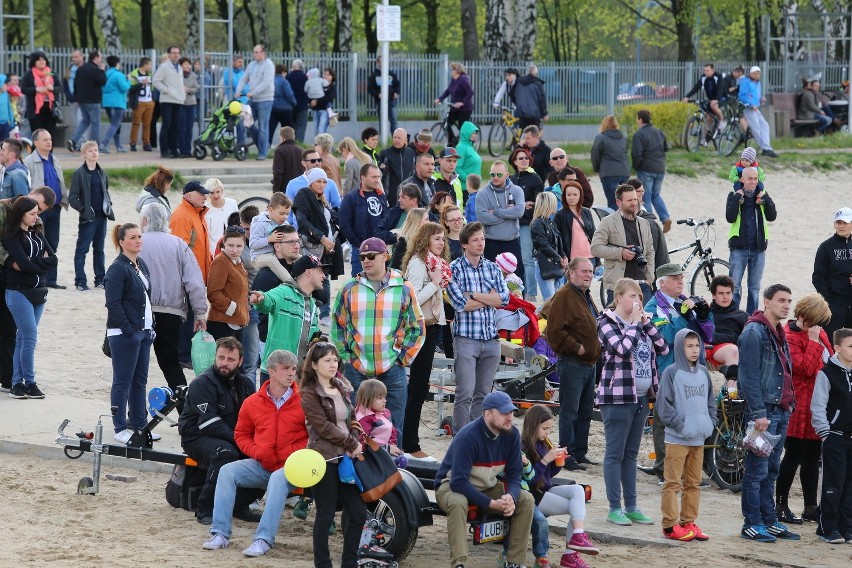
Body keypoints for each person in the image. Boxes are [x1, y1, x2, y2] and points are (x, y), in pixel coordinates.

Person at [202, 349, 307, 557]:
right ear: (272, 371)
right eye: (285, 368)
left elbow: (311, 438)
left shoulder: (304, 401)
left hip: (293, 467)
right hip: (262, 464)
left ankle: (263, 540)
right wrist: (258, 452)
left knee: (278, 478)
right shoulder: (252, 402)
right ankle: (220, 533)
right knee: (227, 471)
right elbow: (241, 435)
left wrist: (292, 455)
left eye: (294, 369)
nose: (291, 373)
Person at [331, 237, 424, 441]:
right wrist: (346, 357)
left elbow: (417, 327)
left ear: (385, 256)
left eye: (371, 256)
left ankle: (393, 469)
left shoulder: (404, 288)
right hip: (357, 369)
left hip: (392, 368)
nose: (366, 260)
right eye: (362, 257)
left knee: (394, 428)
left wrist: (402, 359)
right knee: (354, 426)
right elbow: (337, 325)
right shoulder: (349, 289)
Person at [434, 390, 535, 568]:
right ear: (487, 414)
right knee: (458, 503)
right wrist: (490, 503)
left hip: (487, 485)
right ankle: (459, 563)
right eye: (504, 413)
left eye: (511, 412)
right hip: (451, 486)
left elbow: (514, 474)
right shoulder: (468, 436)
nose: (510, 417)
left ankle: (515, 562)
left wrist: (510, 496)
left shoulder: (512, 435)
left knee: (526, 499)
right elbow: (458, 482)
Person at [597, 277, 668, 527]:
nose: (637, 301)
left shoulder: (641, 323)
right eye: (632, 297)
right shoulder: (606, 322)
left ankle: (632, 505)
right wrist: (636, 325)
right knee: (615, 453)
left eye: (639, 297)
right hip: (616, 397)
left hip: (641, 397)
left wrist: (646, 324)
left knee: (631, 454)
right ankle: (614, 507)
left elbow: (663, 347)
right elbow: (622, 349)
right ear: (618, 298)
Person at [738, 283, 800, 542]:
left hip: (780, 409)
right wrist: (759, 412)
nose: (787, 305)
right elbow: (748, 376)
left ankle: (769, 519)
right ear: (767, 301)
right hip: (764, 412)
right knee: (756, 471)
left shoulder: (777, 331)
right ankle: (752, 523)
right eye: (781, 300)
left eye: (789, 301)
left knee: (771, 469)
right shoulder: (754, 331)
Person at [299, 341, 369, 568]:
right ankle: (323, 564)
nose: (333, 363)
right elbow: (323, 427)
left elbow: (352, 418)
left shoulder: (341, 385)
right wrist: (351, 443)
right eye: (327, 360)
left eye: (335, 359)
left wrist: (357, 436)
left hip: (346, 459)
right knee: (325, 514)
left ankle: (349, 563)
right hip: (324, 458)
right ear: (315, 364)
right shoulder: (309, 393)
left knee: (358, 513)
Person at [643, 263, 714, 482]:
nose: (680, 282)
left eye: (681, 278)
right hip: (669, 369)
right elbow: (664, 337)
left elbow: (709, 336)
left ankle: (690, 470)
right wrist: (682, 317)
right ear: (661, 283)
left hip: (694, 369)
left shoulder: (685, 301)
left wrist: (704, 316)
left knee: (694, 414)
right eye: (675, 279)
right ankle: (664, 469)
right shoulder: (653, 306)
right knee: (666, 418)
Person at [179, 337, 258, 525]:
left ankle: (240, 505)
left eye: (230, 360)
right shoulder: (202, 383)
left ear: (240, 361)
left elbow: (256, 416)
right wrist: (241, 442)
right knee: (226, 453)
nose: (224, 363)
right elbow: (209, 423)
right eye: (221, 357)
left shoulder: (246, 384)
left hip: (230, 437)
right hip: (196, 436)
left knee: (263, 453)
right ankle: (205, 509)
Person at [138, 203, 207, 399]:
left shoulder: (137, 242)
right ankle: (185, 410)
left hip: (141, 312)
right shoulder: (178, 244)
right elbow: (194, 282)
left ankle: (134, 414)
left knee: (136, 364)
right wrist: (200, 312)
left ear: (144, 220)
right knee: (170, 363)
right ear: (166, 221)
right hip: (171, 311)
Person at [775, 293, 832, 525]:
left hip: (817, 406)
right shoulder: (789, 336)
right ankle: (780, 504)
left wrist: (817, 339)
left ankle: (811, 507)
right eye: (814, 322)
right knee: (793, 456)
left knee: (812, 457)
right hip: (797, 407)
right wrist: (813, 342)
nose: (817, 327)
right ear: (803, 316)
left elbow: (831, 360)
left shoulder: (818, 332)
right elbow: (804, 369)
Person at [520, 405, 601, 568]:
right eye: (545, 428)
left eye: (550, 428)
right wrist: (546, 460)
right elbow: (530, 480)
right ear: (533, 425)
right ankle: (570, 556)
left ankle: (577, 537)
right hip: (533, 494)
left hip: (545, 489)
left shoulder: (543, 443)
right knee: (576, 508)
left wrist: (558, 462)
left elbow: (548, 476)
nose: (548, 433)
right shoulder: (524, 447)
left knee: (578, 491)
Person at [446, 222, 509, 431]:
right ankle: (461, 437)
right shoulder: (454, 269)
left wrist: (474, 295)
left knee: (483, 393)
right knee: (464, 392)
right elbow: (460, 304)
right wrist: (490, 298)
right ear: (464, 244)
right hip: (466, 337)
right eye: (475, 240)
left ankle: (477, 435)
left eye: (482, 238)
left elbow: (505, 299)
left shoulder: (492, 267)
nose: (481, 243)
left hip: (491, 337)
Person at [657, 329, 717, 542]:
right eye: (688, 346)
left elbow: (711, 401)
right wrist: (680, 425)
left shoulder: (703, 372)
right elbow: (664, 406)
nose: (694, 350)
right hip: (677, 439)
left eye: (697, 346)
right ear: (680, 347)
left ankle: (688, 522)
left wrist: (710, 422)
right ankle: (670, 526)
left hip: (699, 438)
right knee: (672, 483)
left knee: (693, 483)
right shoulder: (671, 373)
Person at [401, 222, 450, 460]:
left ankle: (408, 441)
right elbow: (413, 299)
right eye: (437, 238)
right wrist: (435, 283)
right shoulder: (419, 264)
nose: (442, 242)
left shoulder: (434, 263)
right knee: (417, 387)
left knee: (420, 386)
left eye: (443, 238)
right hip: (421, 328)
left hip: (433, 327)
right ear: (425, 240)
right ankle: (410, 443)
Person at [546, 257, 601, 472]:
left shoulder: (584, 295)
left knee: (585, 410)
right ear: (571, 272)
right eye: (584, 271)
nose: (588, 275)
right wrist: (577, 347)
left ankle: (579, 452)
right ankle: (566, 455)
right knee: (570, 411)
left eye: (591, 271)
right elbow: (554, 331)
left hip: (589, 363)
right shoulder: (564, 296)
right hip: (573, 362)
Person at [0, 187, 54, 393]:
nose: (36, 213)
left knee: (15, 330)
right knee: (11, 329)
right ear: (30, 194)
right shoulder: (4, 209)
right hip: (8, 274)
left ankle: (12, 378)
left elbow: (48, 254)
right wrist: (12, 261)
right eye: (34, 206)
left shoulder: (36, 221)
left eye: (40, 210)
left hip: (29, 283)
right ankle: (14, 379)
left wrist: (34, 264)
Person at [103, 222, 154, 439]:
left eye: (139, 236)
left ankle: (139, 424)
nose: (138, 240)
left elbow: (146, 298)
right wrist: (129, 329)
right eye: (132, 238)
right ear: (122, 242)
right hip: (124, 334)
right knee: (122, 380)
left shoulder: (140, 264)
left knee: (139, 380)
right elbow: (113, 303)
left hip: (143, 331)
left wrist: (150, 326)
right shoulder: (117, 268)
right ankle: (120, 428)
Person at [811, 327, 852, 544]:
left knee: (849, 485)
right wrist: (825, 432)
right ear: (837, 348)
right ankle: (828, 527)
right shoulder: (827, 373)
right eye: (850, 346)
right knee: (833, 483)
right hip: (835, 436)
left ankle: (847, 527)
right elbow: (818, 406)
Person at [251, 254, 324, 371]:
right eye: (320, 271)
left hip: (300, 373)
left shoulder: (313, 304)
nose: (324, 276)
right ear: (308, 272)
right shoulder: (284, 292)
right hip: (276, 372)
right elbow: (269, 300)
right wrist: (261, 299)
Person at [590, 183, 655, 303]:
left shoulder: (644, 223)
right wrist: (620, 253)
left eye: (635, 199)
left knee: (645, 321)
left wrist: (650, 278)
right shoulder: (607, 222)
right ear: (619, 202)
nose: (634, 203)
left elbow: (650, 252)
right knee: (617, 321)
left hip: (642, 285)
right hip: (618, 285)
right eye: (630, 200)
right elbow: (595, 248)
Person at [725, 166, 777, 314]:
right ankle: (733, 316)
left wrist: (765, 199)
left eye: (755, 179)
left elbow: (772, 216)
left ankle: (751, 317)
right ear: (742, 179)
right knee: (734, 287)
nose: (753, 182)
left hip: (758, 249)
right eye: (749, 179)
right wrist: (736, 197)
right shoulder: (734, 195)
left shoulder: (762, 196)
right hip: (738, 249)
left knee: (754, 288)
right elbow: (730, 217)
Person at [24, 129, 67, 289]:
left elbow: (60, 181)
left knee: (53, 242)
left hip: (55, 207)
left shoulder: (54, 159)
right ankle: (39, 276)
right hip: (38, 209)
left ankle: (51, 280)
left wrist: (63, 199)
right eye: (44, 140)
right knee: (38, 241)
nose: (49, 142)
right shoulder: (29, 161)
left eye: (50, 139)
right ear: (35, 142)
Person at [69, 142, 114, 291]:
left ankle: (100, 279)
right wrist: (85, 210)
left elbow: (105, 193)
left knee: (99, 249)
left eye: (96, 150)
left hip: (102, 218)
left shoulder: (102, 173)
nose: (94, 153)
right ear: (84, 154)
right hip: (88, 219)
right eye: (90, 151)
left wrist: (108, 206)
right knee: (82, 250)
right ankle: (80, 282)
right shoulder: (79, 174)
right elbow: (73, 198)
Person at [476, 160, 526, 283]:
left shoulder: (517, 190)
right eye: (492, 174)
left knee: (517, 278)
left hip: (512, 241)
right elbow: (482, 217)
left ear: (507, 175)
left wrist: (496, 211)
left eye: (499, 174)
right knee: (491, 279)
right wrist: (508, 214)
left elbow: (519, 212)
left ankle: (518, 301)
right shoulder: (482, 193)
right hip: (491, 242)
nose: (495, 178)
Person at [339, 164, 389, 276]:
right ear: (363, 177)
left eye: (378, 177)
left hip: (380, 250)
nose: (377, 180)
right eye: (373, 177)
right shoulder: (351, 198)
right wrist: (358, 243)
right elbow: (344, 224)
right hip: (360, 250)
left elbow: (386, 222)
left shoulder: (382, 196)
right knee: (359, 285)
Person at [510, 146, 544, 300]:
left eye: (526, 158)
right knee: (513, 259)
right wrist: (523, 205)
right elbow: (506, 203)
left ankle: (531, 293)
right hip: (510, 224)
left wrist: (519, 207)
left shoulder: (535, 178)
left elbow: (537, 205)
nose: (524, 160)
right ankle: (516, 291)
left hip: (526, 224)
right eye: (520, 158)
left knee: (527, 259)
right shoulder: (511, 179)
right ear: (514, 162)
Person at [813, 207, 852, 338]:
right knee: (829, 342)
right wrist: (828, 302)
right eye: (838, 222)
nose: (841, 226)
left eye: (845, 223)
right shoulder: (825, 247)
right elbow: (817, 277)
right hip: (834, 304)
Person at [206, 226, 249, 343]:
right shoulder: (221, 261)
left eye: (239, 246)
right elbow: (213, 293)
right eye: (231, 245)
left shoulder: (236, 262)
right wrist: (232, 308)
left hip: (235, 321)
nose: (234, 250)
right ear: (224, 242)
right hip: (222, 323)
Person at [631, 109, 671, 233]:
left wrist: (637, 167)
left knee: (646, 197)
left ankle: (650, 223)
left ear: (640, 119)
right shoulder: (659, 132)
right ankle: (665, 217)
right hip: (660, 168)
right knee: (656, 195)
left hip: (646, 169)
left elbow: (636, 153)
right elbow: (666, 148)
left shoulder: (639, 134)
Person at [235, 45, 275, 159]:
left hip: (265, 99)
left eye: (257, 52)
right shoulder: (251, 65)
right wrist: (238, 90)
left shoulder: (269, 65)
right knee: (246, 122)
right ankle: (263, 145)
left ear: (263, 53)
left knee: (263, 126)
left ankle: (262, 153)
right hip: (252, 99)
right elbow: (244, 79)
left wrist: (254, 92)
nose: (255, 54)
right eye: (254, 52)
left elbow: (266, 82)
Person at [170, 180, 212, 281]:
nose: (205, 198)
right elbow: (180, 252)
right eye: (201, 194)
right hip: (191, 278)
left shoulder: (197, 213)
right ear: (189, 196)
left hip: (198, 274)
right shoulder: (182, 216)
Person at [354, 378, 404, 464]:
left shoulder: (385, 413)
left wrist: (391, 444)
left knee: (402, 460)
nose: (384, 400)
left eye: (384, 397)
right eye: (380, 398)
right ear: (368, 398)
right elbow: (363, 443)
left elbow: (392, 430)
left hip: (384, 450)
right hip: (371, 457)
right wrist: (386, 448)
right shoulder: (364, 418)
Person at [625, 177, 670, 270]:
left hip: (647, 271)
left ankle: (665, 218)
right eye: (638, 191)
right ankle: (665, 218)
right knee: (656, 195)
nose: (642, 194)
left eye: (642, 191)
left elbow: (651, 253)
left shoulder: (648, 223)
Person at [706, 275, 747, 377]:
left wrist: (715, 336)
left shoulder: (742, 316)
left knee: (734, 351)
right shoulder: (706, 313)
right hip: (706, 351)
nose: (725, 297)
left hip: (731, 353)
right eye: (721, 293)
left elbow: (745, 339)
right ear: (713, 295)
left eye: (728, 293)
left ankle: (730, 391)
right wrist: (731, 337)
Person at [530, 191, 567, 301]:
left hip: (555, 264)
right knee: (550, 302)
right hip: (544, 264)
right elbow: (543, 245)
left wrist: (563, 256)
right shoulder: (537, 223)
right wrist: (560, 258)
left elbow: (558, 242)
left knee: (556, 302)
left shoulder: (550, 222)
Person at [67, 50, 106, 152]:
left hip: (82, 100)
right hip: (93, 101)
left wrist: (77, 97)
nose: (101, 60)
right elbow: (103, 81)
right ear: (96, 58)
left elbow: (75, 84)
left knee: (85, 121)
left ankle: (73, 140)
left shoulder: (80, 69)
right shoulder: (94, 69)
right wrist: (102, 70)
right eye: (100, 58)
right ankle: (95, 146)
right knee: (95, 123)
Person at [152, 45, 186, 159]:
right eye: (173, 53)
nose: (176, 55)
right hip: (167, 100)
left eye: (177, 52)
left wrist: (182, 95)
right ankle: (164, 150)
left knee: (176, 126)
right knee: (167, 124)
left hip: (178, 100)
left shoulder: (179, 67)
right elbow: (156, 81)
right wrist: (166, 90)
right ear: (169, 54)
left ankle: (174, 149)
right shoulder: (164, 67)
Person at [591, 115, 630, 210]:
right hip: (624, 172)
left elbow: (595, 155)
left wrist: (596, 169)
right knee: (623, 201)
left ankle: (615, 224)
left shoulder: (600, 138)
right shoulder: (623, 139)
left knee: (613, 202)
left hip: (609, 173)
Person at [554, 178, 595, 265]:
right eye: (568, 195)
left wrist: (598, 260)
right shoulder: (560, 214)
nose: (571, 197)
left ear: (580, 195)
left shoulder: (587, 212)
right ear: (564, 196)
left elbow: (594, 235)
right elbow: (557, 238)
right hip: (571, 259)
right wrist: (562, 256)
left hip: (590, 256)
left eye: (575, 194)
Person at [739, 66, 778, 158]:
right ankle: (766, 148)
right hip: (748, 108)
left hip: (755, 108)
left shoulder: (757, 83)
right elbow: (741, 96)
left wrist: (760, 99)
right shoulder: (746, 81)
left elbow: (755, 95)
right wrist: (750, 103)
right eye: (755, 73)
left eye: (758, 73)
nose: (757, 75)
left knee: (765, 125)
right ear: (751, 73)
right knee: (756, 128)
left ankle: (766, 147)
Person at [434, 62, 474, 147]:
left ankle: (465, 145)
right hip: (455, 108)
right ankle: (451, 141)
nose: (450, 71)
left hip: (465, 109)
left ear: (457, 71)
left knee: (462, 129)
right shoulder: (454, 80)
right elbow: (448, 91)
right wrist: (439, 99)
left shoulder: (464, 79)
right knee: (447, 122)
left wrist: (462, 103)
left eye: (452, 69)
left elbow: (470, 92)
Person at [20, 51, 57, 138]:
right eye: (38, 60)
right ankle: (36, 151)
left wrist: (52, 88)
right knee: (37, 135)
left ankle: (49, 151)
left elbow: (59, 88)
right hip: (35, 109)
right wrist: (36, 89)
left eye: (43, 60)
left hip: (50, 108)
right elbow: (23, 89)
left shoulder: (50, 73)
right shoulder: (29, 74)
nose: (41, 62)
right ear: (34, 62)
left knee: (50, 135)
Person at [99, 55, 130, 153]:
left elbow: (102, 87)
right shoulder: (119, 75)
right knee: (115, 124)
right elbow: (124, 88)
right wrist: (128, 80)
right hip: (118, 102)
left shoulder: (105, 74)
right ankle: (104, 144)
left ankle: (118, 146)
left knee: (115, 124)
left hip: (107, 102)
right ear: (117, 64)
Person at [248, 191, 292, 260]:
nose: (285, 217)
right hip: (259, 256)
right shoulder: (260, 223)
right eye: (282, 213)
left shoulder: (285, 224)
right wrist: (269, 239)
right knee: (273, 261)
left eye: (287, 214)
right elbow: (252, 244)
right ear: (271, 210)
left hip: (277, 255)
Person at [378, 127, 416, 205]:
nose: (396, 140)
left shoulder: (411, 153)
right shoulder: (385, 154)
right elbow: (380, 177)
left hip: (408, 195)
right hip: (390, 196)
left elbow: (413, 173)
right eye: (394, 137)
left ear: (405, 139)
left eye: (399, 138)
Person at [682, 63, 725, 129]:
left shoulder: (718, 76)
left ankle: (722, 120)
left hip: (720, 98)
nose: (705, 72)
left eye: (707, 70)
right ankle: (706, 138)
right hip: (710, 100)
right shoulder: (703, 78)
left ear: (713, 70)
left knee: (713, 105)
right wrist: (687, 96)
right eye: (704, 70)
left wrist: (716, 99)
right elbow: (696, 88)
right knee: (708, 119)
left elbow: (720, 89)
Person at [204, 178, 239, 252]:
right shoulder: (205, 209)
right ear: (208, 194)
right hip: (213, 250)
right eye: (212, 193)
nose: (216, 196)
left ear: (222, 191)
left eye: (218, 192)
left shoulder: (232, 203)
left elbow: (238, 224)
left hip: (233, 247)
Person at [367, 55, 400, 132]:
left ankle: (395, 138)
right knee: (382, 121)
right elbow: (370, 88)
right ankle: (382, 139)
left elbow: (397, 85)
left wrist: (396, 92)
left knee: (394, 121)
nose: (383, 63)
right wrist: (377, 94)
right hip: (380, 102)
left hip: (391, 101)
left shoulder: (391, 74)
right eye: (381, 61)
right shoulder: (374, 75)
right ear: (377, 62)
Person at [128, 57, 154, 151]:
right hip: (139, 101)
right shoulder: (134, 74)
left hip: (149, 101)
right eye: (150, 65)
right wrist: (141, 84)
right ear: (145, 65)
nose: (151, 67)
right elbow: (130, 88)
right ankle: (133, 142)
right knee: (136, 122)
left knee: (147, 124)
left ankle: (146, 143)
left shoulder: (150, 74)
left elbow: (152, 88)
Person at [513, 65, 549, 130]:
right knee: (534, 134)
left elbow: (514, 94)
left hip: (522, 113)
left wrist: (518, 105)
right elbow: (542, 99)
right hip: (534, 114)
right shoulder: (537, 83)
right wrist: (545, 113)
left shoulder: (519, 82)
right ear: (536, 74)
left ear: (527, 72)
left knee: (524, 133)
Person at [176, 57, 199, 158]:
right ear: (180, 65)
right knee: (182, 128)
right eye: (185, 64)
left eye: (189, 64)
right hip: (181, 103)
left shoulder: (193, 75)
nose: (188, 66)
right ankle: (181, 150)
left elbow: (196, 88)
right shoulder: (177, 75)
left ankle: (188, 150)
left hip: (192, 103)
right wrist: (181, 89)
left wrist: (188, 89)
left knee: (189, 128)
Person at [268, 64, 296, 145]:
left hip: (273, 108)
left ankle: (267, 146)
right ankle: (289, 146)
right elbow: (289, 95)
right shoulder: (284, 82)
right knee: (288, 130)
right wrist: (294, 103)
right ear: (283, 72)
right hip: (286, 109)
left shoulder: (271, 81)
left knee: (270, 129)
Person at [271, 126, 304, 193]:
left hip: (285, 188)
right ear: (293, 136)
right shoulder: (301, 150)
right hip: (300, 187)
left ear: (282, 137)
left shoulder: (279, 151)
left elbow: (278, 173)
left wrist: (275, 190)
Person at [285, 59, 309, 143]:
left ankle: (290, 144)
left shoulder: (288, 76)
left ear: (294, 67)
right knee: (301, 126)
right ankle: (299, 144)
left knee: (291, 126)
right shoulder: (305, 77)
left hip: (290, 106)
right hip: (303, 105)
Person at [309, 68, 336, 138]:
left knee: (321, 130)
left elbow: (328, 99)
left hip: (325, 111)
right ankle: (319, 147)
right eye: (325, 74)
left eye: (328, 75)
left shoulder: (332, 87)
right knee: (316, 131)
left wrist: (316, 101)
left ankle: (324, 147)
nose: (325, 76)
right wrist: (311, 101)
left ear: (332, 77)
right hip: (316, 110)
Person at [455, 121, 481, 186]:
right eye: (472, 133)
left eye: (475, 133)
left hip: (473, 187)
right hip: (465, 188)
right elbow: (457, 168)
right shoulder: (461, 147)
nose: (475, 135)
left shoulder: (471, 147)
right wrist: (470, 181)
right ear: (466, 133)